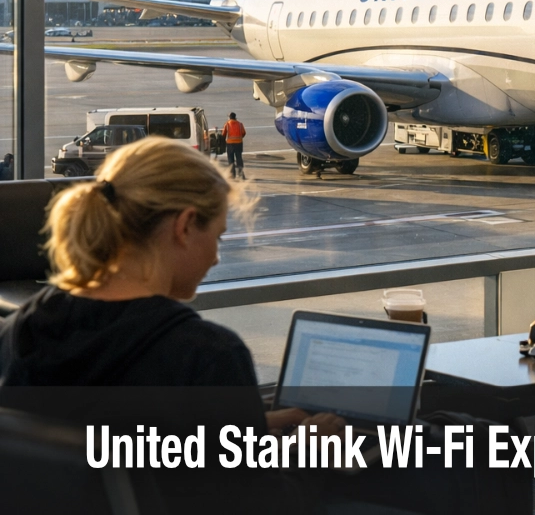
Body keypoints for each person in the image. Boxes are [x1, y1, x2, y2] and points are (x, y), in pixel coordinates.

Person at [0, 138, 335, 512]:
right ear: (186, 225)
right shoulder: (206, 356)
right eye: (217, 237)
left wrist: (240, 429)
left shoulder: (18, 332)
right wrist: (311, 452)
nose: (215, 258)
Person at [223, 111, 247, 179]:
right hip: (239, 143)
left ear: (229, 118)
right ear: (235, 117)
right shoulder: (240, 124)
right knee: (239, 158)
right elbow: (244, 133)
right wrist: (239, 138)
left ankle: (232, 174)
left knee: (231, 159)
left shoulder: (227, 124)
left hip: (230, 144)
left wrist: (224, 140)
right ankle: (241, 173)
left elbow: (224, 134)